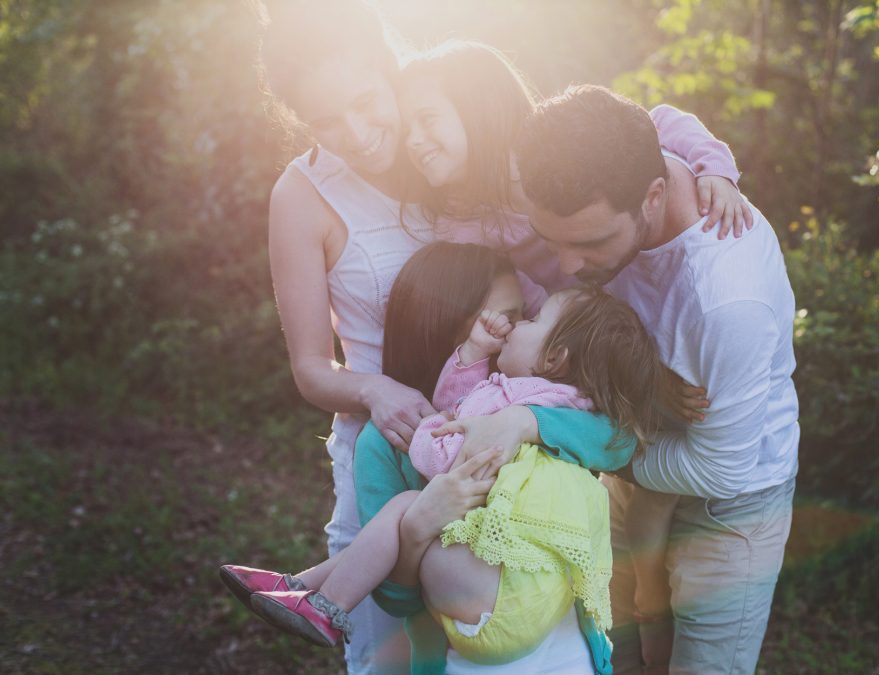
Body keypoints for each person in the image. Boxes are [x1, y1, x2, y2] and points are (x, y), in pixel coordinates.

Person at [252, 1, 749, 669]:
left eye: (366, 103)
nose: (358, 133)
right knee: (393, 653)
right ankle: (320, 589)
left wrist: (711, 162)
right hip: (396, 436)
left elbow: (621, 135)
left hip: (509, 435)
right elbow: (311, 368)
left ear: (391, 70)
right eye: (325, 121)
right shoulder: (305, 193)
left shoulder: (456, 145)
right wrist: (375, 390)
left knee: (520, 633)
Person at [444, 85, 800, 674]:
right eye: (553, 238)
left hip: (725, 506)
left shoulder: (727, 298)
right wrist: (717, 164)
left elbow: (722, 467)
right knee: (616, 654)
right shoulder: (614, 147)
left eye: (589, 242)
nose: (568, 267)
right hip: (634, 473)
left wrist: (577, 438)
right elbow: (660, 116)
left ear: (653, 195)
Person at [223, 243, 674, 672]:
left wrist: (523, 421)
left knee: (405, 509)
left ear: (554, 357)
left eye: (523, 317)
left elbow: (619, 440)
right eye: (504, 319)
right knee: (407, 510)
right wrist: (420, 528)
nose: (513, 327)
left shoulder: (541, 400)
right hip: (469, 639)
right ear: (454, 325)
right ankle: (311, 595)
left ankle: (306, 590)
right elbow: (396, 600)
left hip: (562, 646)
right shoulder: (389, 441)